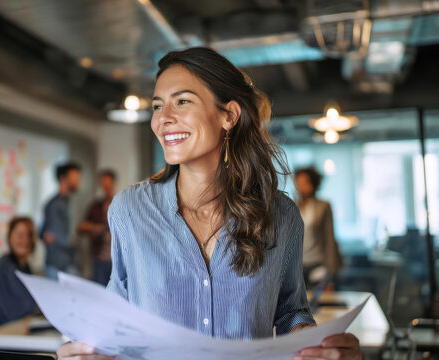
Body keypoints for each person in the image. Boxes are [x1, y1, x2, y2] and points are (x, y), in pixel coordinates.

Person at [57, 47, 361, 360]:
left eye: (182, 101)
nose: (164, 119)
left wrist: (322, 346)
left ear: (228, 115)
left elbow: (290, 311)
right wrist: (88, 348)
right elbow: (117, 313)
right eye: (158, 106)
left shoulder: (280, 215)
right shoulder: (130, 210)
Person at [294, 167, 343, 288]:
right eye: (298, 183)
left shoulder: (323, 206)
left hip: (318, 262)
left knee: (319, 301)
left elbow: (329, 238)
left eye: (304, 182)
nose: (301, 186)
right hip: (298, 264)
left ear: (313, 183)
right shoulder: (293, 206)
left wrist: (331, 270)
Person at [40, 162, 81, 279]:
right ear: (63, 178)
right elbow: (57, 236)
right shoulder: (55, 204)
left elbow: (44, 232)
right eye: (75, 177)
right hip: (58, 265)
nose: (78, 180)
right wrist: (75, 240)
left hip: (68, 262)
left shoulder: (69, 202)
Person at [77, 169, 116, 286]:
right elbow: (81, 227)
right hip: (99, 257)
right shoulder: (95, 206)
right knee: (99, 290)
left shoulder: (120, 203)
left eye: (108, 182)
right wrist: (94, 228)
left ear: (113, 183)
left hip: (117, 259)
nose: (106, 186)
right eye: (103, 183)